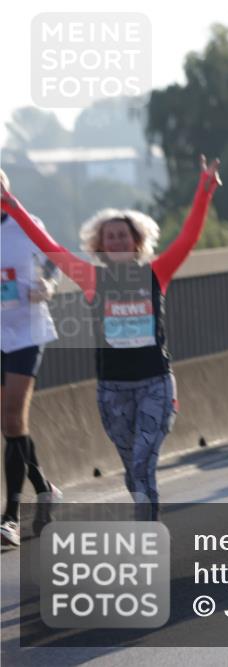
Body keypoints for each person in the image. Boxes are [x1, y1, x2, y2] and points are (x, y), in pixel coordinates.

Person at [1, 156, 221, 521]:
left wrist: (204, 189)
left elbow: (189, 237)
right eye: (110, 236)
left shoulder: (158, 273)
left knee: (142, 461)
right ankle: (142, 501)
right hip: (113, 389)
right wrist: (11, 204)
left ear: (136, 243)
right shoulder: (90, 278)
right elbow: (47, 243)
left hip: (155, 384)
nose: (117, 240)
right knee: (131, 466)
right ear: (100, 245)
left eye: (124, 235)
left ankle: (146, 524)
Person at [0, 169, 61, 547]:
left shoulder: (26, 223)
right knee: (9, 425)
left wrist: (49, 282)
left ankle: (9, 515)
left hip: (28, 330)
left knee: (12, 415)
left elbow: (54, 256)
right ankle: (46, 488)